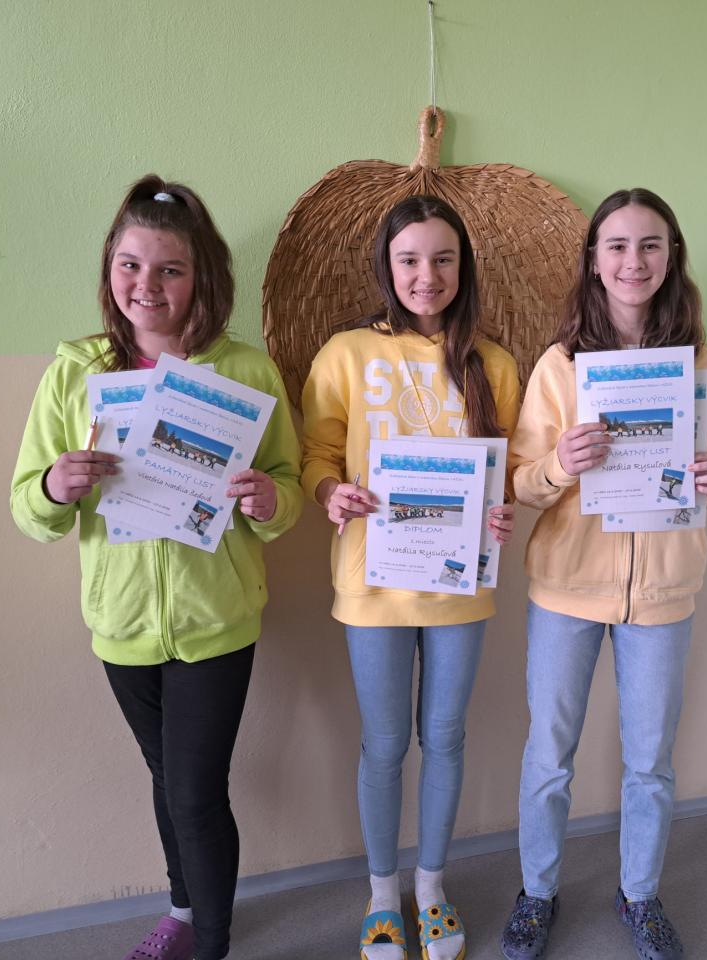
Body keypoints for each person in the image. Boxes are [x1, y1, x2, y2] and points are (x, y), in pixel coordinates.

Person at [10, 175, 302, 960]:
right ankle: (182, 908)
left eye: (170, 269)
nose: (148, 285)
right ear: (110, 268)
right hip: (122, 624)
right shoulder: (76, 374)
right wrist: (54, 487)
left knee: (196, 793)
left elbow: (286, 493)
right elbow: (27, 507)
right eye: (131, 265)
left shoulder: (247, 373)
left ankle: (211, 943)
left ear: (202, 276)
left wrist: (269, 501)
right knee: (166, 779)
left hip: (217, 621)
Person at [499, 188, 707, 960]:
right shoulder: (560, 366)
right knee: (549, 755)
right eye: (618, 246)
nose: (635, 261)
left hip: (663, 593)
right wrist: (559, 466)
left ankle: (640, 895)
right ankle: (537, 893)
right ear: (594, 262)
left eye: (651, 245)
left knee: (651, 763)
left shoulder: (701, 366)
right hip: (567, 589)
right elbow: (521, 481)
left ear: (672, 259)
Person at [301, 195, 521, 960]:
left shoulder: (495, 363)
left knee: (446, 737)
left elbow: (506, 473)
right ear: (386, 267)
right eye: (410, 260)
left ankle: (431, 888)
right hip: (373, 582)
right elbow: (317, 457)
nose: (427, 275)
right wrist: (331, 494)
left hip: (461, 585)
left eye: (443, 259)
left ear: (464, 267)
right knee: (385, 743)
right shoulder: (346, 354)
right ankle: (381, 896)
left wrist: (502, 511)